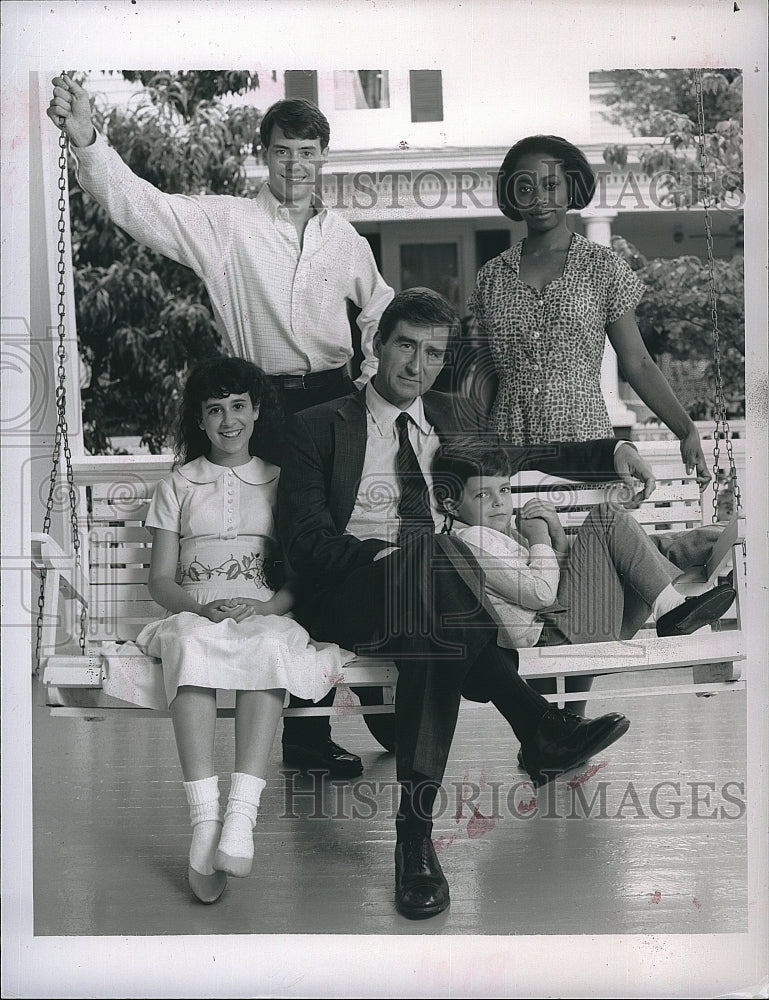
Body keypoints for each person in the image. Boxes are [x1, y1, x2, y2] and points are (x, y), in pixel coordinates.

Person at [277, 286, 670, 921]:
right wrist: (385, 558)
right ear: (377, 346)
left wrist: (612, 452)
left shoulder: (454, 419)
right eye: (405, 345)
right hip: (349, 597)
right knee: (433, 555)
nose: (417, 365)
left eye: (433, 353)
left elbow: (534, 450)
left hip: (437, 609)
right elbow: (304, 544)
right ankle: (535, 724)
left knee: (437, 600)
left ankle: (414, 841)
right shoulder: (317, 426)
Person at [48, 73, 395, 778]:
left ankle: (370, 707)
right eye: (282, 151)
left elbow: (380, 307)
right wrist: (87, 138)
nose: (295, 165)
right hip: (267, 403)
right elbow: (141, 205)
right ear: (262, 155)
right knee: (283, 554)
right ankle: (302, 739)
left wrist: (367, 362)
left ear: (324, 157)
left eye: (308, 151)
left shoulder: (345, 241)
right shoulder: (228, 224)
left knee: (336, 551)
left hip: (336, 404)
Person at [134, 357, 354, 904]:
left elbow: (298, 576)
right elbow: (161, 581)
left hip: (261, 611)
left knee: (272, 648)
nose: (228, 420)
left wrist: (268, 608)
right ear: (200, 421)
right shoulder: (179, 484)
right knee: (187, 644)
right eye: (215, 411)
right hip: (194, 610)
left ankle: (240, 816)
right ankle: (204, 819)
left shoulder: (281, 479)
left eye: (238, 407)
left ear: (257, 412)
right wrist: (199, 608)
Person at [467, 133, 711, 485]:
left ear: (571, 189)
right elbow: (483, 376)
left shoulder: (602, 267)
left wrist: (685, 429)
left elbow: (638, 362)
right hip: (508, 442)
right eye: (525, 189)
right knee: (519, 538)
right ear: (511, 196)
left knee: (585, 537)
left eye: (551, 185)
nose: (539, 199)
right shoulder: (491, 276)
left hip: (585, 436)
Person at [431, 440, 736, 717]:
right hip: (552, 639)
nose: (499, 502)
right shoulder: (471, 542)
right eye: (483, 494)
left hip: (567, 629)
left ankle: (697, 577)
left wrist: (554, 533)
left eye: (505, 489)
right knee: (608, 519)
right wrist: (539, 538)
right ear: (451, 505)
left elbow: (560, 577)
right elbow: (541, 594)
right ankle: (681, 600)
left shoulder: (498, 535)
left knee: (639, 553)